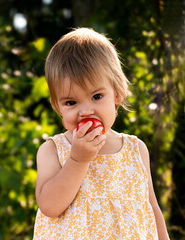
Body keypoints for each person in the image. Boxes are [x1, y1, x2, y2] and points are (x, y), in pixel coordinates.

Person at [33, 28, 170, 239]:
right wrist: (77, 160)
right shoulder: (53, 150)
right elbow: (49, 207)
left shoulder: (136, 150)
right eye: (71, 102)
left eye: (96, 96)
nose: (85, 111)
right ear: (57, 106)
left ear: (117, 93)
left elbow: (151, 208)